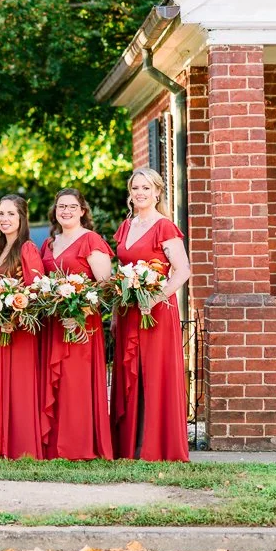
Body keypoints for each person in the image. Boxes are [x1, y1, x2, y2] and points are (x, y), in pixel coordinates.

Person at [112, 167, 192, 462]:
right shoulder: (126, 226)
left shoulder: (164, 227)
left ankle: (157, 445)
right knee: (132, 374)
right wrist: (116, 311)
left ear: (157, 192)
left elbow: (182, 270)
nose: (140, 193)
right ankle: (131, 445)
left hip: (156, 312)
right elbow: (120, 271)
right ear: (130, 193)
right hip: (130, 310)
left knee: (155, 375)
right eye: (135, 188)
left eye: (146, 188)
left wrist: (155, 297)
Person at [39, 189, 114, 461]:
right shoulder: (49, 243)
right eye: (61, 206)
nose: (66, 211)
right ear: (55, 210)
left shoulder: (91, 240)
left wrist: (79, 310)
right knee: (56, 382)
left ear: (83, 210)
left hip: (81, 323)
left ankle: (78, 445)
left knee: (76, 382)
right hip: (54, 322)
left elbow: (105, 286)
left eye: (72, 206)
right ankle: (54, 444)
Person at [0, 195, 45, 459]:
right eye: (1, 214)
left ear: (22, 218)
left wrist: (15, 314)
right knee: (2, 384)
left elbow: (36, 291)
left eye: (11, 214)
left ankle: (22, 446)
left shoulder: (27, 248)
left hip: (20, 331)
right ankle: (0, 444)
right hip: (1, 328)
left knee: (19, 387)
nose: (4, 219)